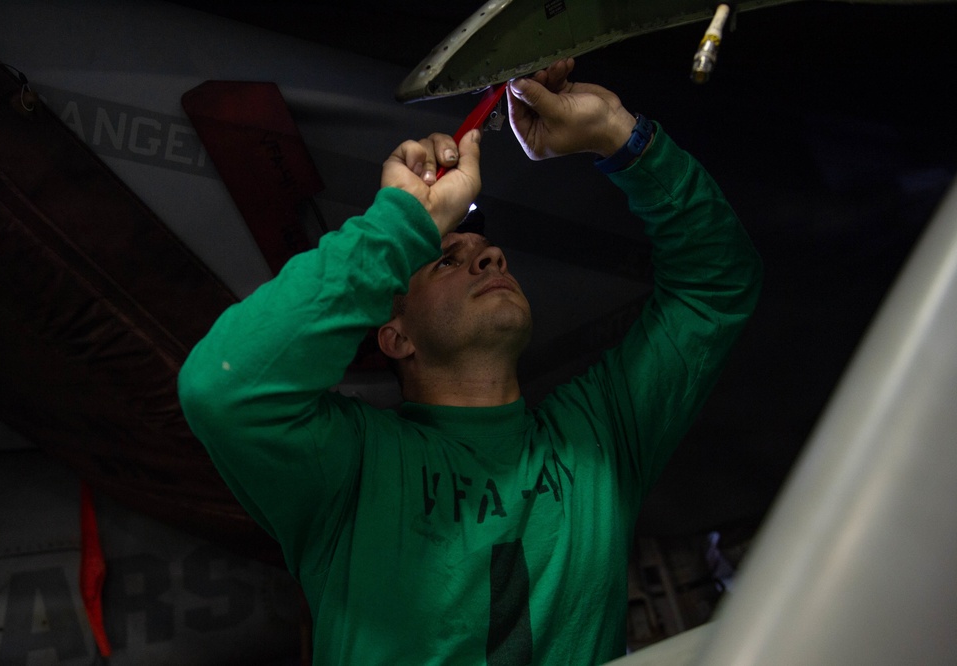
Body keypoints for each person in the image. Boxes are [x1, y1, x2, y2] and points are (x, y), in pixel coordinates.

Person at [178, 59, 762, 665]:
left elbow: (715, 286)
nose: (491, 258)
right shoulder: (351, 469)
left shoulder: (599, 436)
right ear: (396, 337)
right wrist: (406, 222)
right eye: (446, 261)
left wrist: (615, 132)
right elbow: (222, 388)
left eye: (488, 252)